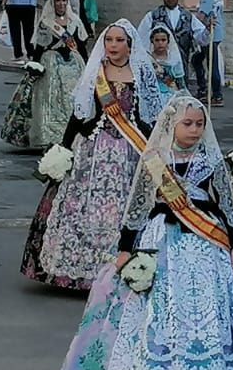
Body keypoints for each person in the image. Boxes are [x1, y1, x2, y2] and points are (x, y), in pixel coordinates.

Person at [57, 95, 233, 370]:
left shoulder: (211, 161)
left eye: (199, 124)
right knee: (159, 313)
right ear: (171, 126)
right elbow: (136, 207)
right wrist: (124, 248)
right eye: (187, 124)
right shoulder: (156, 160)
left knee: (209, 314)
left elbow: (226, 205)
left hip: (207, 242)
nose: (194, 129)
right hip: (162, 239)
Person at [20, 20, 165, 290]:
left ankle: (121, 267)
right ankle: (78, 271)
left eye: (119, 40)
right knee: (81, 207)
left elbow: (149, 118)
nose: (112, 45)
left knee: (124, 209)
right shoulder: (96, 70)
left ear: (130, 44)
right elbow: (79, 113)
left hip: (129, 152)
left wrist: (156, 151)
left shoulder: (141, 73)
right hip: (93, 148)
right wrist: (63, 148)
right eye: (109, 40)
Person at [1, 0, 89, 150]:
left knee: (72, 100)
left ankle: (70, 135)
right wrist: (34, 66)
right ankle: (49, 135)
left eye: (64, 1)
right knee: (50, 100)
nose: (61, 4)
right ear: (53, 3)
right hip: (52, 64)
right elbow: (39, 48)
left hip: (73, 65)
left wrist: (89, 67)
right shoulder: (46, 22)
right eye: (58, 1)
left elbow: (81, 47)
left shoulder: (74, 21)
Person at [137, 0, 207, 90]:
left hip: (181, 67)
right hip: (158, 68)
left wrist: (208, 28)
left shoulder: (188, 16)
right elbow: (140, 40)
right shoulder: (152, 16)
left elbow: (202, 38)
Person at [193, 0, 225, 105]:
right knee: (197, 60)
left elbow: (201, 16)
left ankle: (216, 95)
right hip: (216, 33)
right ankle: (204, 89)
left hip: (209, 34)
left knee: (211, 65)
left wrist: (190, 21)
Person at [147, 26, 186, 96]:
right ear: (152, 41)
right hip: (151, 95)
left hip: (171, 95)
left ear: (168, 41)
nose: (160, 43)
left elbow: (181, 84)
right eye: (157, 40)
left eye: (163, 40)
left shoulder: (174, 60)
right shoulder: (147, 59)